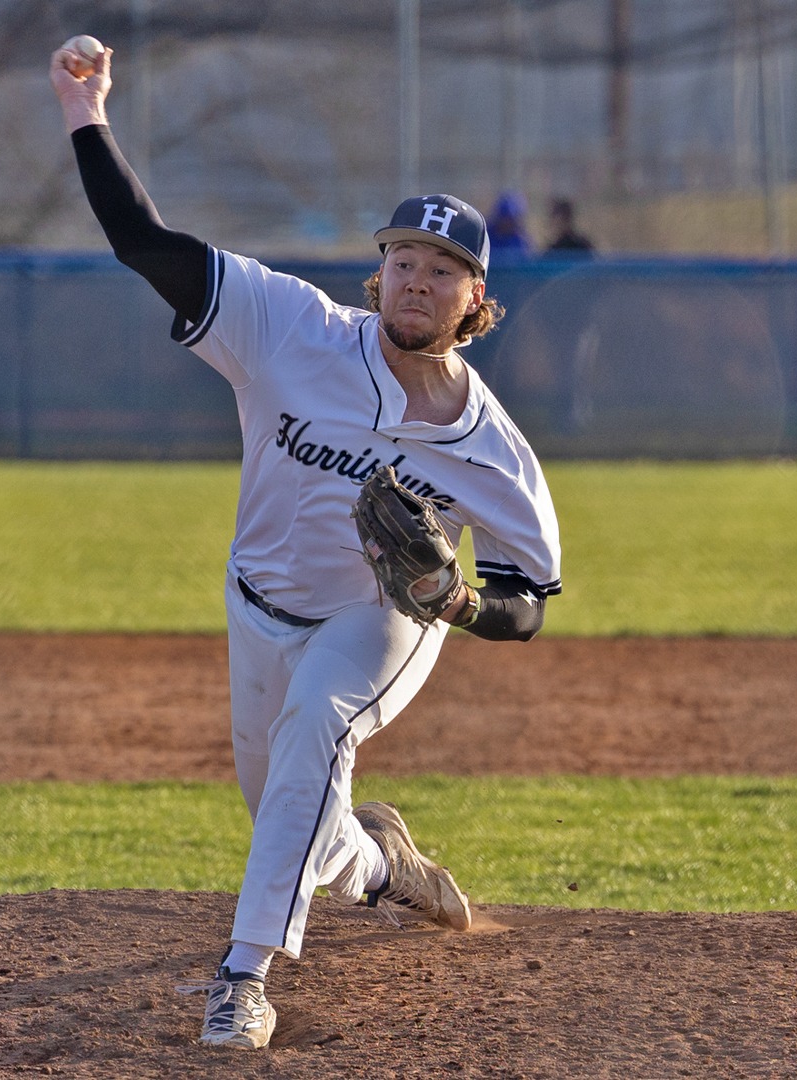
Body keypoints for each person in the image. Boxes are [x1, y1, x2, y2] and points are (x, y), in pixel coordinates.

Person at [50, 43, 563, 1051]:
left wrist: (457, 603)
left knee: (319, 727)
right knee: (297, 815)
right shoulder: (289, 326)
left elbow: (531, 598)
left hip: (382, 619)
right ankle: (386, 868)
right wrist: (84, 111)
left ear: (474, 304)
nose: (419, 277)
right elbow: (142, 243)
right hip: (255, 606)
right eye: (404, 258)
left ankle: (243, 977)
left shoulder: (491, 447)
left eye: (446, 269)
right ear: (379, 274)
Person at [486, 189, 532, 264]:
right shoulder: (487, 236)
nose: (508, 223)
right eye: (505, 218)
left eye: (512, 220)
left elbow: (526, 261)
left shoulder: (520, 240)